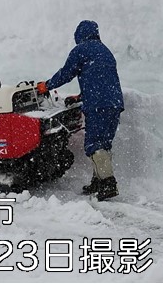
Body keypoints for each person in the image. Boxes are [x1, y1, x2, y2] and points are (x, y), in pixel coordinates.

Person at [38, 20, 124, 200]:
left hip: (98, 105)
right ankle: (98, 181)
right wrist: (80, 97)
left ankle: (108, 183)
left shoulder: (81, 50)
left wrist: (47, 85)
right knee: (104, 143)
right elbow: (101, 81)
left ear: (80, 35)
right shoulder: (105, 51)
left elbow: (66, 73)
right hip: (114, 104)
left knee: (94, 144)